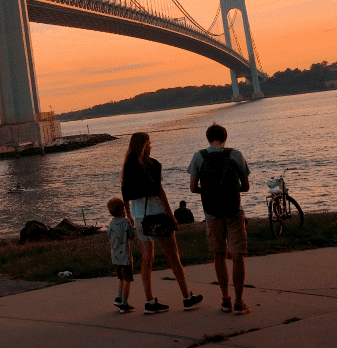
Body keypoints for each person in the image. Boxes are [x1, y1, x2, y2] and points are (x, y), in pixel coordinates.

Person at [120, 132, 202, 314]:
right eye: (150, 142)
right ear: (144, 145)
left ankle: (149, 301)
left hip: (140, 217)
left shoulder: (128, 167)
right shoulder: (152, 165)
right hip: (158, 215)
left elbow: (125, 195)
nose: (152, 145)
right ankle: (186, 297)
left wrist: (130, 216)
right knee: (173, 257)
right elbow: (160, 193)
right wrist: (172, 217)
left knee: (146, 259)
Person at [189, 123, 251, 315]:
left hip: (211, 213)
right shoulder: (236, 155)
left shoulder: (199, 156)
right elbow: (246, 186)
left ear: (208, 138)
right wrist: (232, 190)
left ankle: (225, 300)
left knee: (219, 254)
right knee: (237, 254)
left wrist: (208, 191)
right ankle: (240, 302)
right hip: (234, 211)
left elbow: (192, 188)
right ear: (225, 137)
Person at [106, 196, 135, 312]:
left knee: (120, 279)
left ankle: (118, 297)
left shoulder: (111, 224)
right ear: (123, 210)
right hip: (125, 258)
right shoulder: (126, 222)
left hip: (115, 258)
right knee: (127, 280)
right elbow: (131, 237)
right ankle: (124, 303)